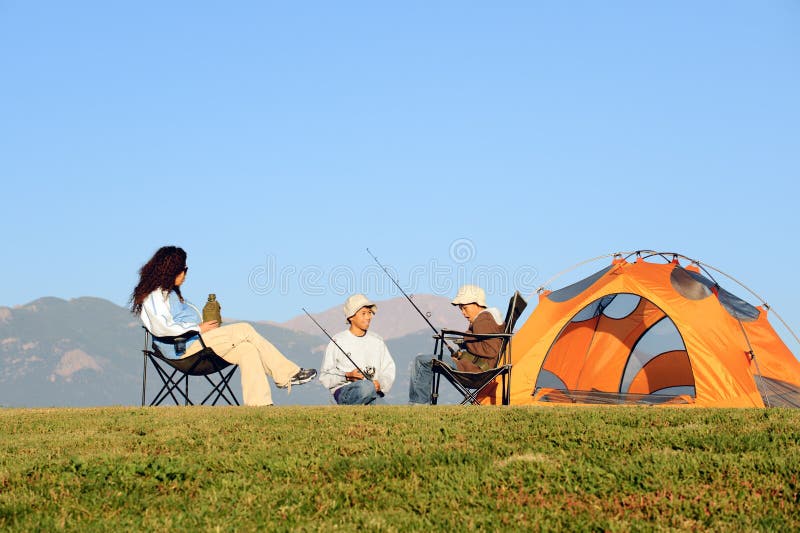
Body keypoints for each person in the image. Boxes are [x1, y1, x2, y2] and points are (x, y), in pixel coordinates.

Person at [131, 245, 317, 406]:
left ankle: (259, 405)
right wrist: (198, 328)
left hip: (197, 344)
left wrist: (202, 327)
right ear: (173, 270)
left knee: (247, 350)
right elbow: (162, 327)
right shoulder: (155, 295)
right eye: (184, 268)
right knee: (244, 329)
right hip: (183, 350)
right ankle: (288, 375)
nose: (186, 273)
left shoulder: (170, 294)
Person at [408, 284, 504, 404]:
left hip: (476, 372)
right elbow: (483, 348)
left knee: (421, 361)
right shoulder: (487, 319)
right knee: (428, 361)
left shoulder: (483, 319)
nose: (463, 313)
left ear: (477, 304)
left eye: (465, 308)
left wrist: (466, 340)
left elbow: (491, 349)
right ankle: (420, 403)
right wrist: (463, 351)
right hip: (476, 369)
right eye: (461, 309)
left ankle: (418, 404)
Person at [318, 294, 396, 405]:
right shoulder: (337, 340)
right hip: (345, 391)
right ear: (351, 317)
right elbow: (325, 376)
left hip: (372, 392)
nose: (368, 317)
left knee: (384, 410)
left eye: (369, 313)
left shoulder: (378, 341)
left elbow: (388, 370)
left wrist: (380, 383)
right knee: (366, 387)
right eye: (363, 313)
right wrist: (347, 376)